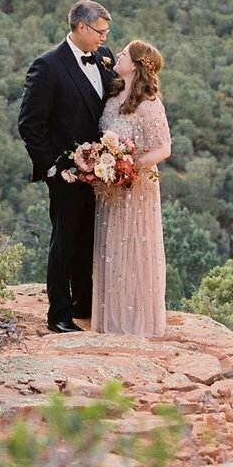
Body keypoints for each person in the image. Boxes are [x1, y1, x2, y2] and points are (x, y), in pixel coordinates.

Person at [17, 0, 116, 333]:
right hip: (66, 173)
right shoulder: (47, 66)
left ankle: (83, 304)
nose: (104, 38)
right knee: (64, 241)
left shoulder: (106, 58)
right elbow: (30, 125)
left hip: (101, 172)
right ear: (81, 27)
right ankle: (58, 315)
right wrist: (53, 169)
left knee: (90, 238)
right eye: (100, 31)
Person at [91, 40, 171, 336]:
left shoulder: (149, 103)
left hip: (136, 187)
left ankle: (136, 325)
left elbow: (164, 149)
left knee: (134, 249)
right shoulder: (113, 98)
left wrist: (128, 166)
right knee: (111, 248)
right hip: (110, 187)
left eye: (124, 53)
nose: (118, 55)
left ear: (136, 65)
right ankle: (111, 321)